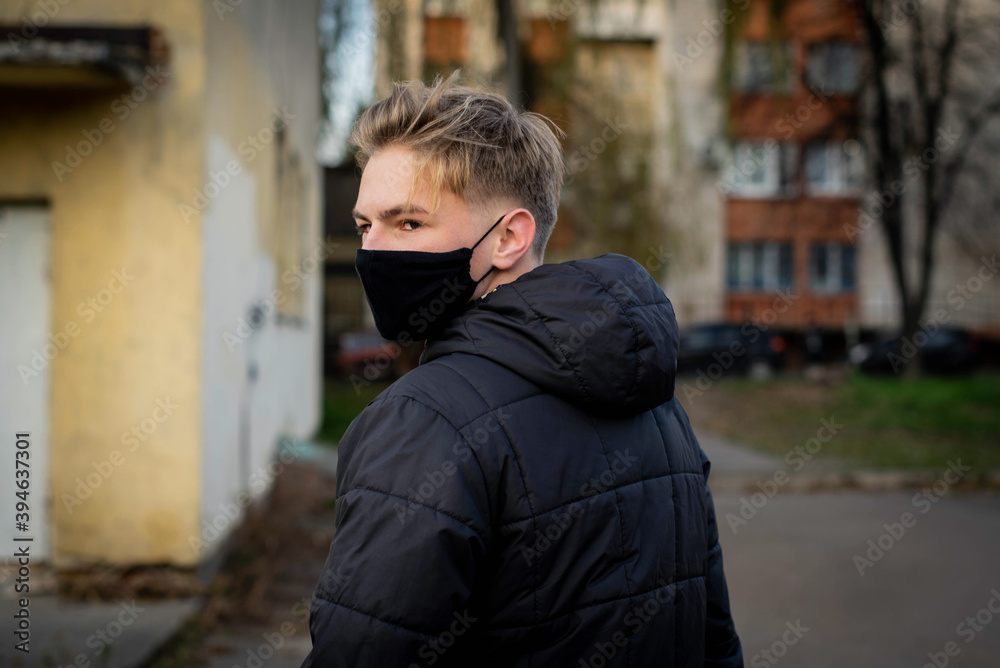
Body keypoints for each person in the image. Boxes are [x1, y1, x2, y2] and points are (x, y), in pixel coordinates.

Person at [302, 71, 743, 668]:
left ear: (508, 236)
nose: (373, 250)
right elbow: (715, 641)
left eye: (408, 223)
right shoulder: (659, 406)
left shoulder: (425, 422)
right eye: (364, 225)